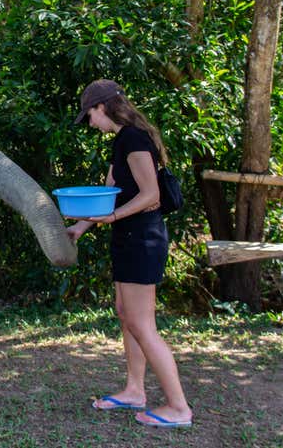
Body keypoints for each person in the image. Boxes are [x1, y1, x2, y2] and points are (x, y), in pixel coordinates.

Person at [66, 79, 193, 428]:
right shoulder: (122, 141)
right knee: (125, 314)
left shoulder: (135, 139)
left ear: (103, 107)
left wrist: (113, 217)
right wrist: (81, 225)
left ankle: (179, 408)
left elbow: (151, 195)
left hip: (143, 239)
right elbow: (108, 194)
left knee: (141, 323)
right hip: (127, 237)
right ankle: (135, 390)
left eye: (89, 114)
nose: (90, 122)